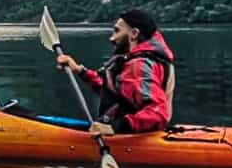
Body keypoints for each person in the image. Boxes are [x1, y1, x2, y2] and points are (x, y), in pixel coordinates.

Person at [55, 8, 175, 136]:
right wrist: (80, 71)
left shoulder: (138, 65)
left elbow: (157, 113)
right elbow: (114, 94)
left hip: (130, 139)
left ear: (134, 33)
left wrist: (114, 127)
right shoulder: (141, 60)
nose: (112, 38)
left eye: (117, 31)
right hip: (132, 133)